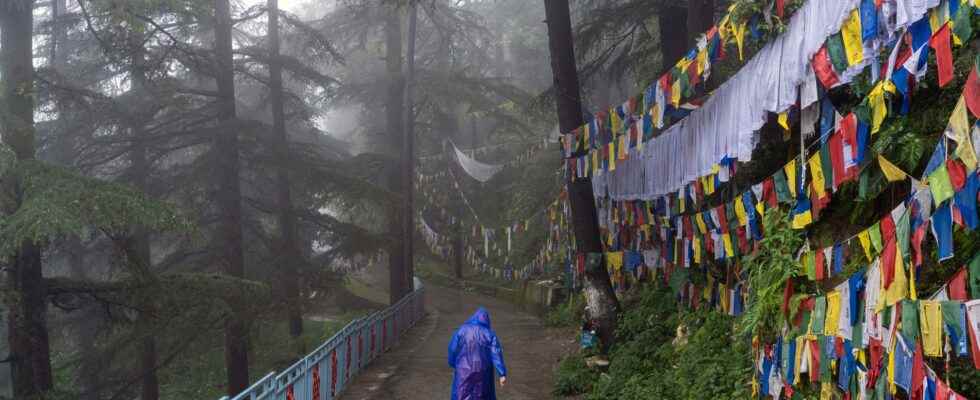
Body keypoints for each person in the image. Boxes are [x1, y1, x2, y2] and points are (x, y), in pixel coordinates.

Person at [447, 308, 507, 400]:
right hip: (483, 371)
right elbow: (496, 353)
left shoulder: (462, 330)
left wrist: (452, 362)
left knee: (462, 393)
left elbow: (453, 348)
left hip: (463, 370)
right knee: (481, 394)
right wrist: (502, 373)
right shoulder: (490, 334)